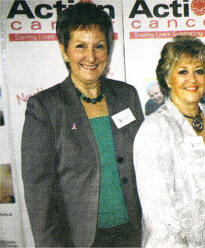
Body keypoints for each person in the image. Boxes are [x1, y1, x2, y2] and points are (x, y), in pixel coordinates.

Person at [21, 3, 143, 247]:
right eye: (80, 46)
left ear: (108, 49)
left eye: (99, 46)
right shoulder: (44, 108)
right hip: (79, 240)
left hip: (132, 234)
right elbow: (40, 196)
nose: (91, 56)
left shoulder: (127, 96)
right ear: (64, 51)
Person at [134, 35, 205, 247]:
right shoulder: (154, 129)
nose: (192, 79)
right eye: (182, 72)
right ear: (168, 79)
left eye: (199, 71)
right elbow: (159, 216)